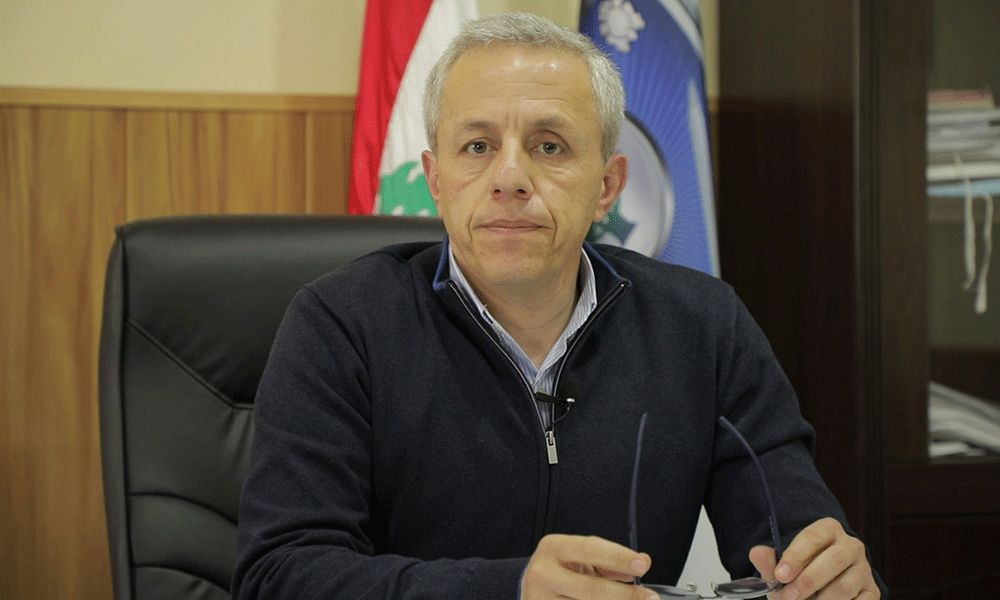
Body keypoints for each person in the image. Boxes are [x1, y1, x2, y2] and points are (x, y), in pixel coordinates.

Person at [233, 12, 884, 600]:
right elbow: (278, 575)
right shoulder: (341, 325)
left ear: (607, 185)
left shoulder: (703, 326)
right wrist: (507, 590)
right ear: (435, 180)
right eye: (478, 146)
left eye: (549, 146)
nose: (510, 178)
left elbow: (790, 535)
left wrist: (831, 577)